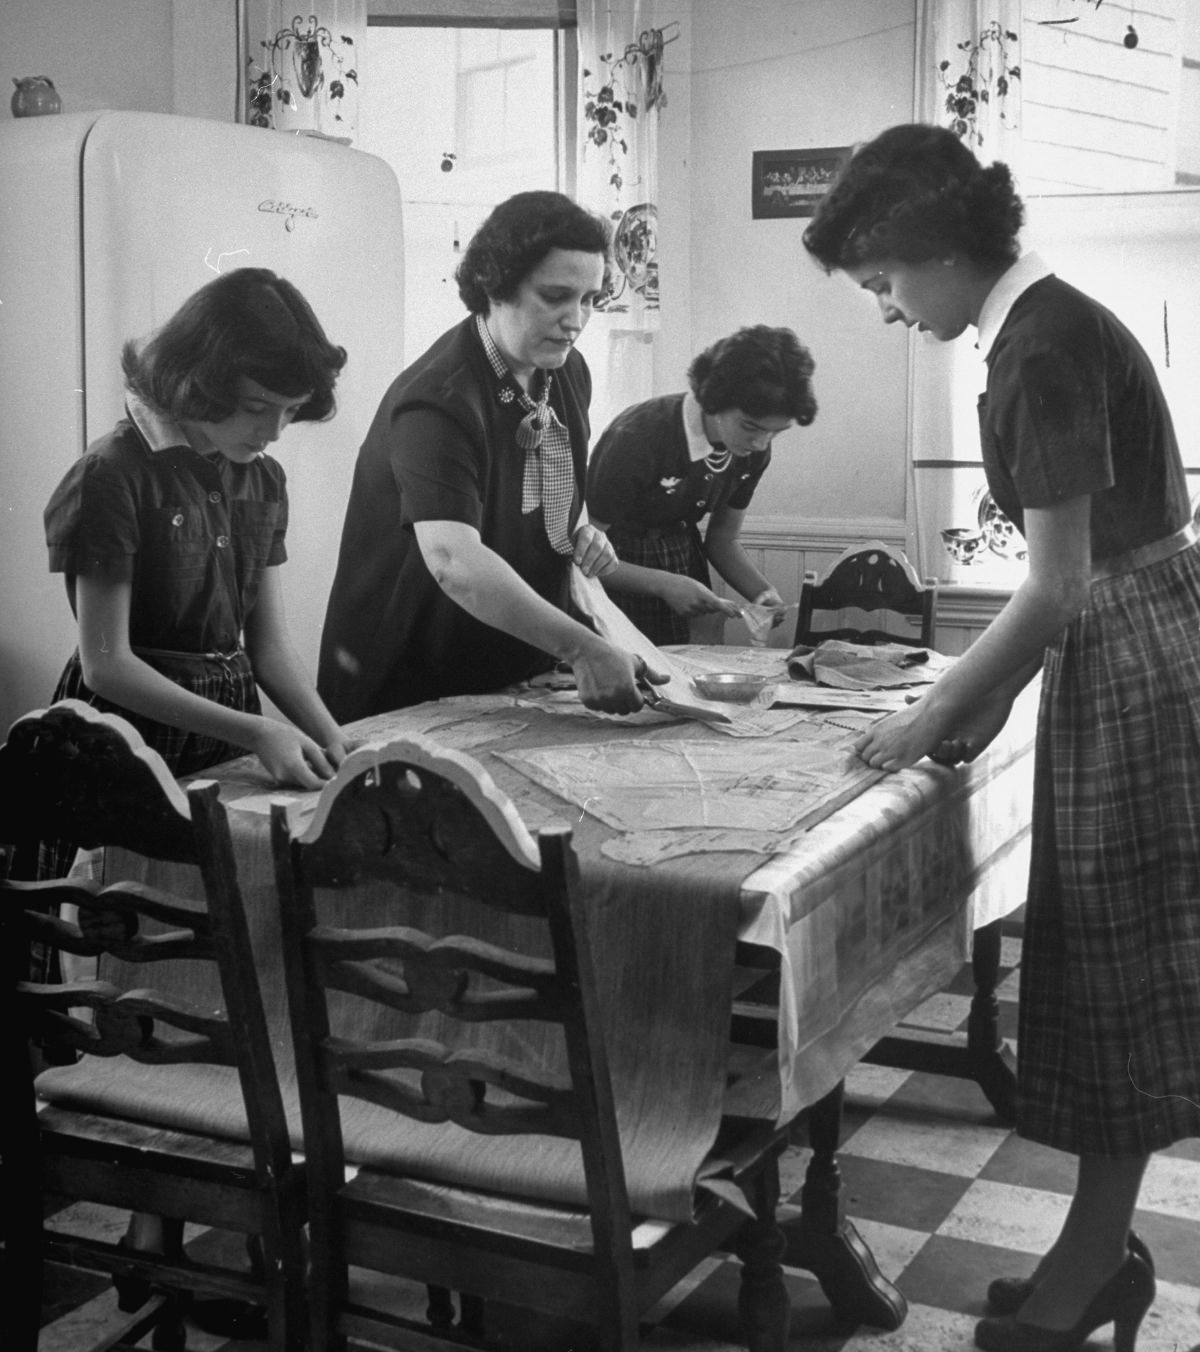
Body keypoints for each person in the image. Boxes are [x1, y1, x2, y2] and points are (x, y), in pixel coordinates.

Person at [803, 122, 1199, 1352]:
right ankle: (1097, 1252)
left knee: (1111, 971)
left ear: (935, 249)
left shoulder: (1036, 346)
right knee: (1097, 963)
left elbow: (1059, 584)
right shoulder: (1043, 323)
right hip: (1141, 634)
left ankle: (1090, 1268)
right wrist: (974, 709)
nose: (883, 306)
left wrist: (933, 710)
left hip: (1131, 649)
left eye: (880, 279)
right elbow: (1073, 587)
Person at [41, 266, 353, 1337]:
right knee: (152, 985)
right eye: (259, 404)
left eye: (286, 411)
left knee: (243, 967)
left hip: (227, 734)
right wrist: (257, 731)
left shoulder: (256, 477)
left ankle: (232, 1197)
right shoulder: (112, 474)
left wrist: (324, 728)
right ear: (203, 375)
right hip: (131, 749)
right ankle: (148, 1216)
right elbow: (110, 662)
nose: (274, 429)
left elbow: (267, 649)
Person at [317, 190, 658, 720]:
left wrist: (586, 535)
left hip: (511, 674)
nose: (577, 319)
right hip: (408, 683)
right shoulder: (438, 400)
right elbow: (454, 561)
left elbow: (551, 505)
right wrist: (584, 647)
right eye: (555, 296)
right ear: (496, 287)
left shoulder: (567, 372)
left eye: (590, 299)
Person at [586, 325, 818, 646]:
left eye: (775, 432)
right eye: (750, 426)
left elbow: (723, 540)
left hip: (684, 562)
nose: (761, 443)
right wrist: (663, 584)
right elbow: (582, 553)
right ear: (713, 401)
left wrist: (763, 593)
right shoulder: (638, 435)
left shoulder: (752, 451)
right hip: (616, 570)